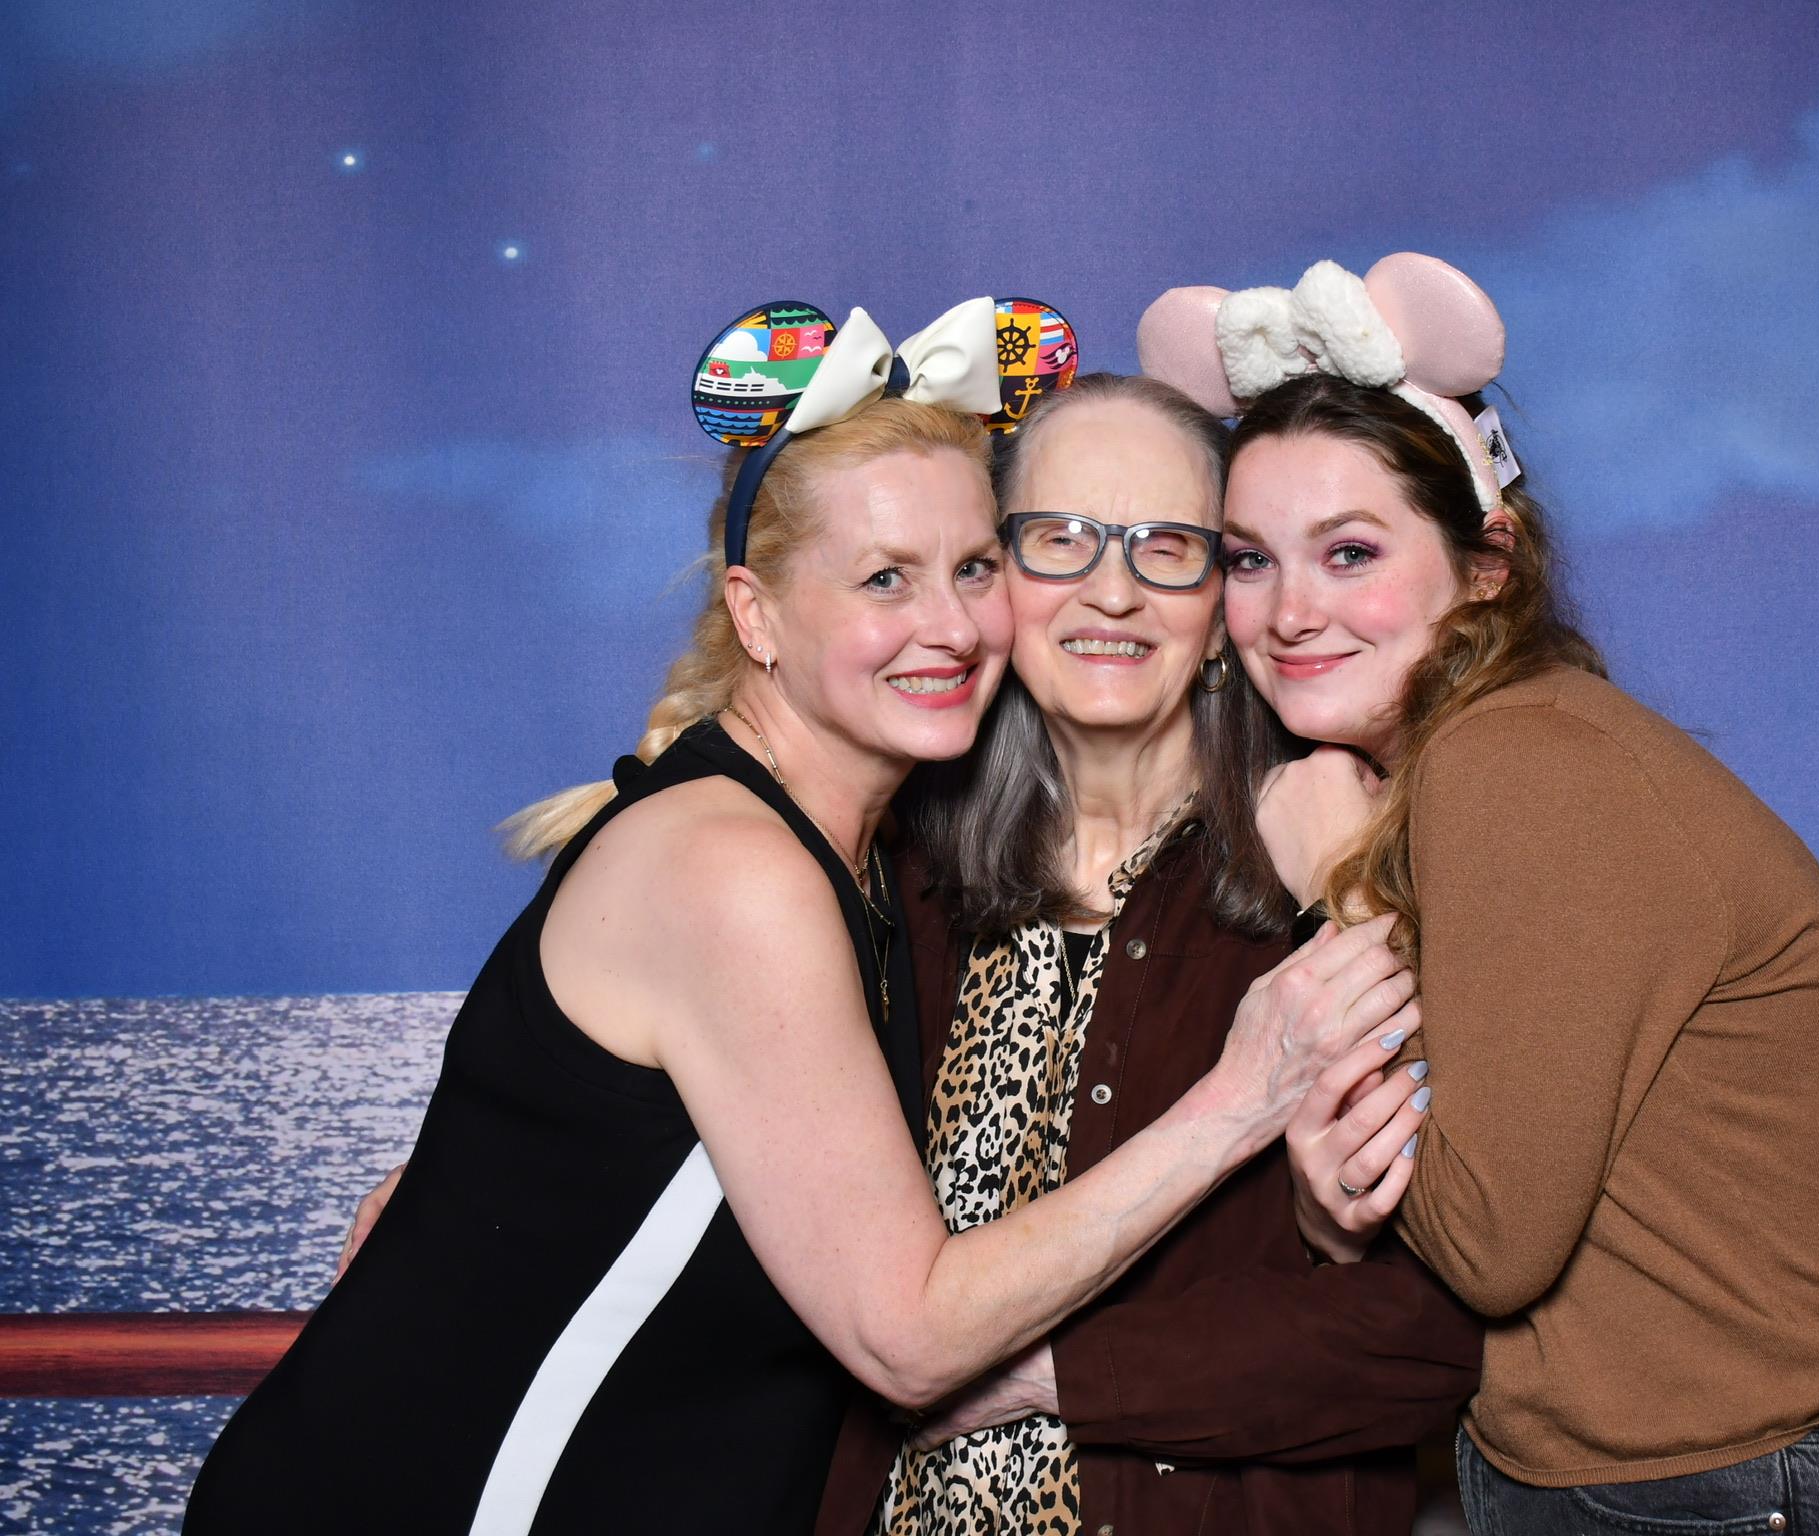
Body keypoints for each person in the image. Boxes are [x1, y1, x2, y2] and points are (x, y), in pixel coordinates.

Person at [188, 298, 1415, 1534]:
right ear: (756, 613)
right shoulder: (757, 872)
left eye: (970, 567)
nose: (949, 623)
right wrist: (1246, 1094)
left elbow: (1429, 1306)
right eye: (890, 578)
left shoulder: (880, 863)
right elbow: (909, 1332)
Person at [1140, 256, 1819, 1535]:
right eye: (1250, 561)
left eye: (1350, 552)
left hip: (1738, 1490)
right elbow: (1409, 1217)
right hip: (1667, 1482)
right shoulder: (1493, 759)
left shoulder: (1517, 763)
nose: (1290, 612)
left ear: (1487, 565)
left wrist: (1335, 893)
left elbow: (1484, 1243)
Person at [809, 372, 1484, 1535]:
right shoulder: (888, 877)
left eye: (1169, 546)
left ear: (1223, 592)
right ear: (991, 578)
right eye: (1058, 540)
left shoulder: (1338, 864)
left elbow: (1430, 1332)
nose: (1111, 592)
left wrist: (1049, 1371)